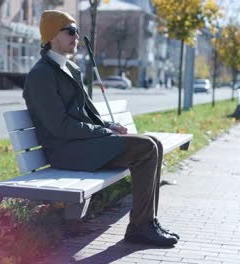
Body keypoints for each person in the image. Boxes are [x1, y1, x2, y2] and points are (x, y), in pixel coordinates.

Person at [22, 10, 178, 247]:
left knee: (153, 143)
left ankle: (147, 221)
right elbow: (60, 127)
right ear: (52, 36)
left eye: (77, 31)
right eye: (71, 31)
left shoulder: (70, 68)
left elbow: (88, 114)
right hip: (66, 152)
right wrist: (104, 133)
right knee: (146, 148)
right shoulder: (41, 75)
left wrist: (108, 125)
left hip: (83, 144)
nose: (77, 36)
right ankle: (140, 227)